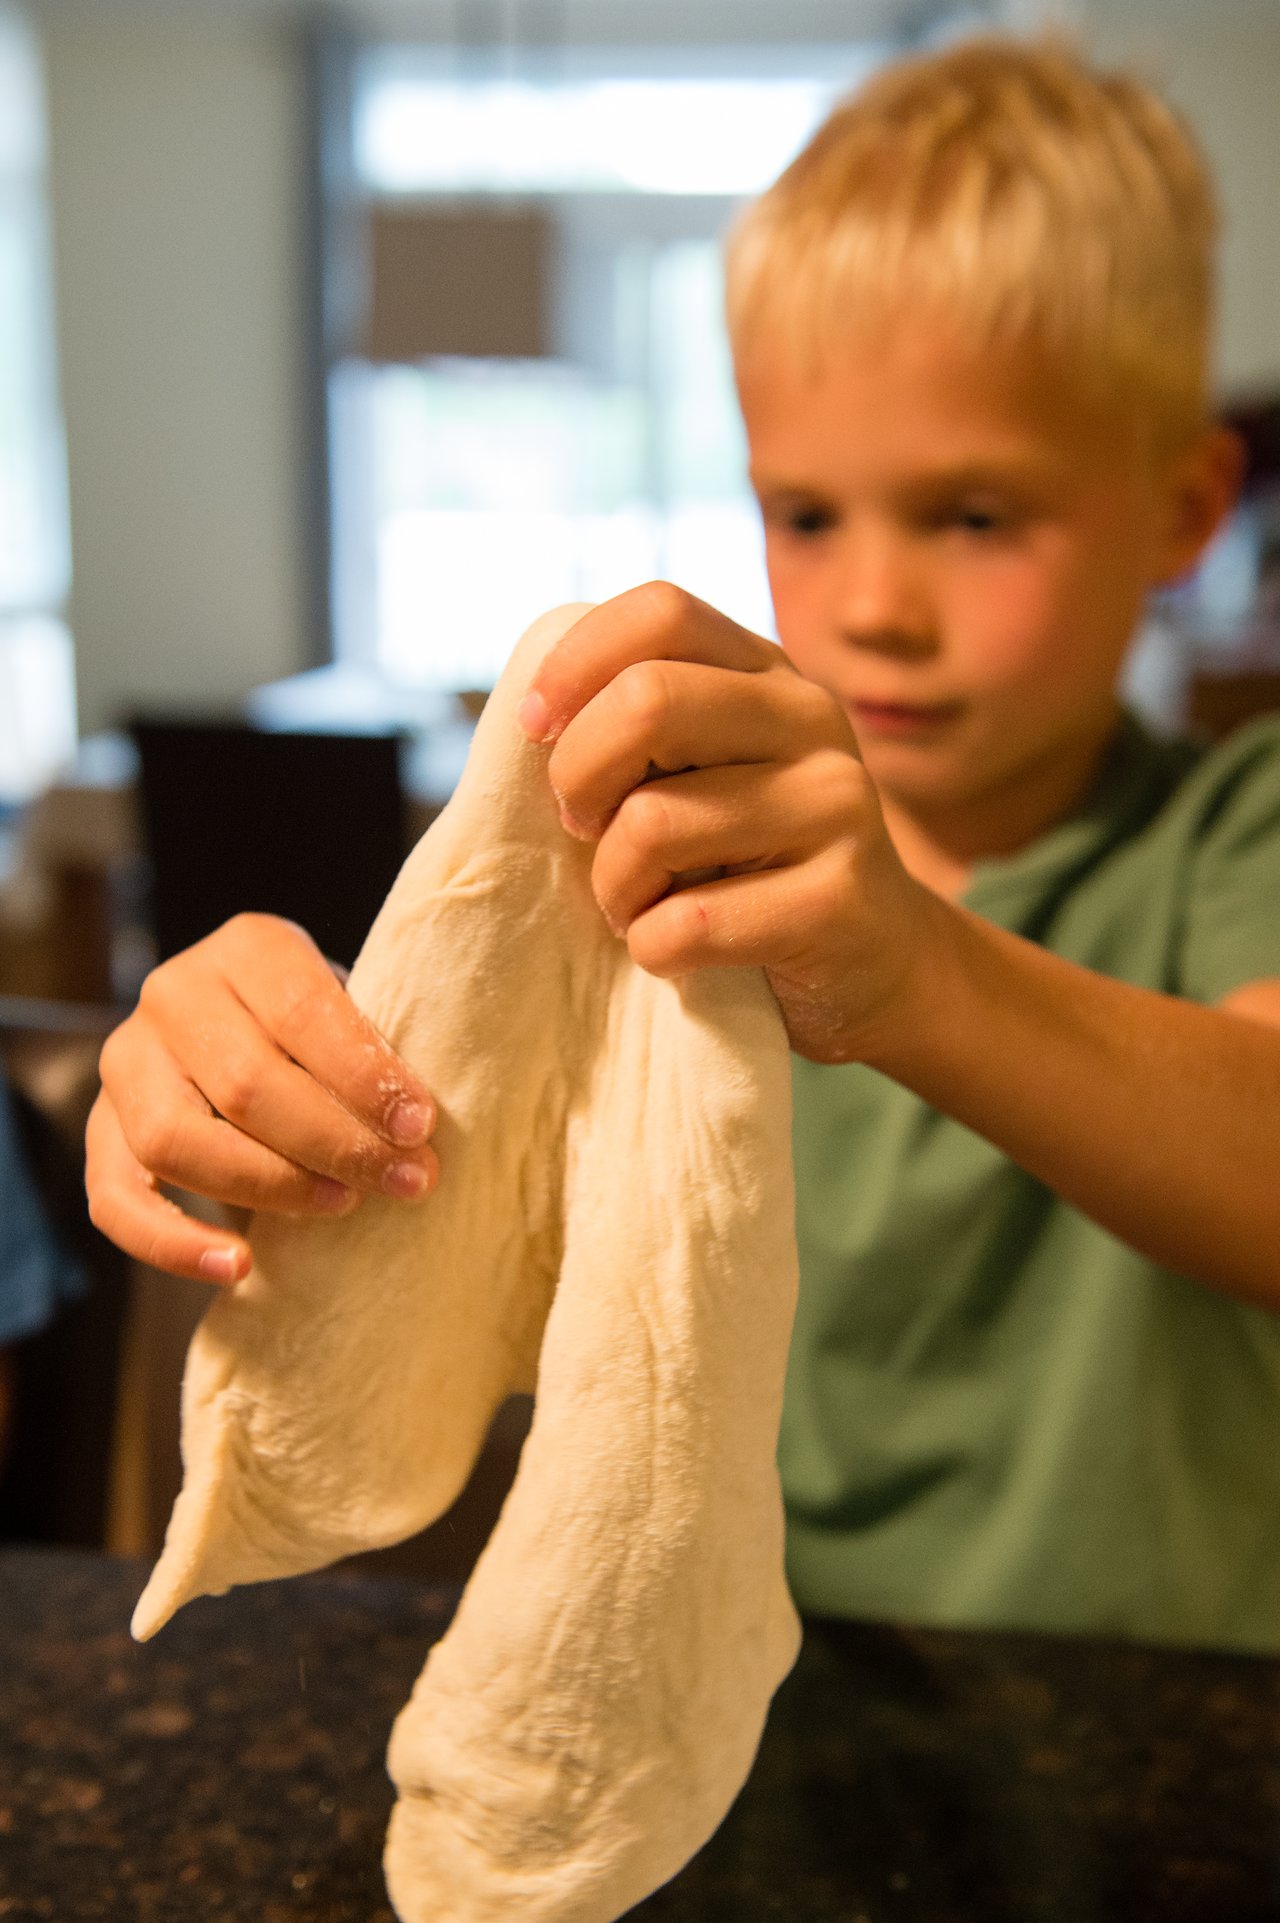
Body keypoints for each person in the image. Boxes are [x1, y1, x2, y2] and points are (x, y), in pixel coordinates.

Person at [85, 35, 1280, 1651]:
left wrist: (909, 969)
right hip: (749, 1705)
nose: (873, 609)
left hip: (1160, 1726)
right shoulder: (665, 886)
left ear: (1185, 510)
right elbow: (461, 1210)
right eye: (806, 514)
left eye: (977, 515)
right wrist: (231, 1081)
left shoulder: (1233, 829)